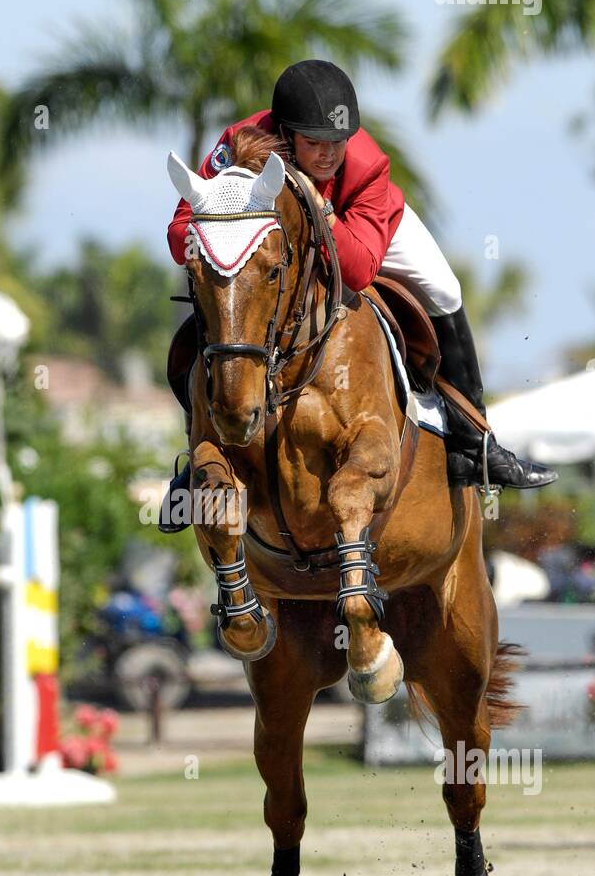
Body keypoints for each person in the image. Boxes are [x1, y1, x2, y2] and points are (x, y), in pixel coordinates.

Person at [159, 59, 556, 533]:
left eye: (336, 143)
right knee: (227, 307)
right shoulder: (238, 147)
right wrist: (215, 240)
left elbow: (360, 269)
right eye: (314, 143)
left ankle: (475, 443)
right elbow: (181, 228)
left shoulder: (366, 168)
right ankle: (199, 458)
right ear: (285, 134)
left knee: (444, 288)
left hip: (357, 223)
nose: (328, 155)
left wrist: (321, 208)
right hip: (270, 243)